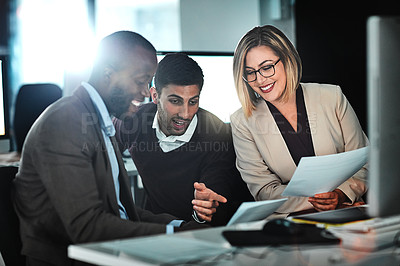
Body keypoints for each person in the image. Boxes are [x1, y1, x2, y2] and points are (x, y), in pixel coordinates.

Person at [13, 31, 207, 266]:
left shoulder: (98, 121)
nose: (147, 92)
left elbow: (119, 210)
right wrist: (173, 236)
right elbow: (86, 227)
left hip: (108, 253)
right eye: (140, 81)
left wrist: (180, 226)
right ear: (108, 74)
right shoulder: (66, 121)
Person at [230, 25, 368, 218]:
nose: (260, 80)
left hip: (346, 210)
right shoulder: (242, 121)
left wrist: (341, 194)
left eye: (267, 67)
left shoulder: (332, 97)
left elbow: (365, 163)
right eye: (250, 72)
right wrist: (327, 201)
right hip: (291, 220)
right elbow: (264, 191)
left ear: (287, 60)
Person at [114, 53, 254, 226]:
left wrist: (204, 209)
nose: (185, 113)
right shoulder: (135, 120)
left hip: (204, 233)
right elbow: (105, 142)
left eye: (193, 101)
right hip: (156, 228)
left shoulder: (217, 137)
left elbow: (212, 214)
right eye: (175, 101)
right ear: (155, 95)